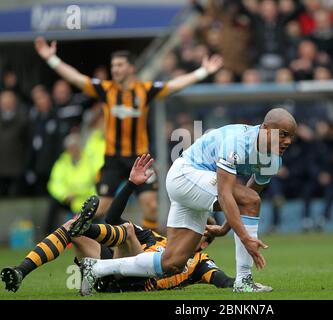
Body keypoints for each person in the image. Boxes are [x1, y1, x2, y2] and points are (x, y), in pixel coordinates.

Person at [78, 108, 297, 295]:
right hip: (185, 176)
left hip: (198, 184)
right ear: (267, 129)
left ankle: (96, 268)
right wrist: (245, 237)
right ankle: (244, 280)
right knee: (248, 198)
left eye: (291, 137)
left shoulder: (273, 160)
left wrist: (224, 227)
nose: (287, 141)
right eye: (284, 134)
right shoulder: (238, 141)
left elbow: (245, 200)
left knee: (172, 262)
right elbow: (227, 194)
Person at [34, 37, 223, 231]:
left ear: (131, 68)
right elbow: (76, 78)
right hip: (113, 159)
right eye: (113, 65)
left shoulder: (144, 90)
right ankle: (71, 234)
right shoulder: (105, 90)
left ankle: (149, 248)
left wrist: (203, 71)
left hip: (140, 158)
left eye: (119, 65)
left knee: (151, 206)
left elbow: (174, 85)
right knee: (101, 208)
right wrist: (52, 59)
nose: (115, 69)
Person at [1, 155, 233, 293]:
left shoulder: (200, 263)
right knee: (72, 227)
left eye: (196, 230)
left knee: (128, 231)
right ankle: (21, 271)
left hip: (137, 281)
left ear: (203, 242)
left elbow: (225, 282)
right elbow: (112, 219)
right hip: (106, 276)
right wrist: (131, 184)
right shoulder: (156, 239)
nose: (185, 229)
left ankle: (88, 227)